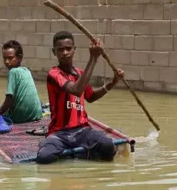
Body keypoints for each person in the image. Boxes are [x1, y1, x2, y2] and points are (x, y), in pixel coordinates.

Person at [36, 31, 125, 165]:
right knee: (44, 157)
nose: (65, 52)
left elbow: (91, 96)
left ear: (74, 50)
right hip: (59, 133)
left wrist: (112, 83)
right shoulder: (54, 74)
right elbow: (76, 90)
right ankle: (52, 145)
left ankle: (84, 155)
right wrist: (93, 58)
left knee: (107, 146)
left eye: (68, 49)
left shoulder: (80, 74)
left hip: (82, 130)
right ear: (54, 52)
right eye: (60, 50)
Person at [0, 40, 43, 123]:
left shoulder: (13, 72)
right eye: (4, 58)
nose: (6, 62)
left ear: (19, 58)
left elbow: (9, 99)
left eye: (10, 58)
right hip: (36, 115)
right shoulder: (26, 70)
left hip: (20, 118)